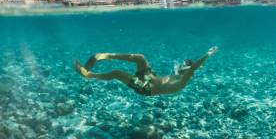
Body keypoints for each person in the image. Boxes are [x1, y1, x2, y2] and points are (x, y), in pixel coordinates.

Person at [73, 46, 218, 96]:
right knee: (140, 58)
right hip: (150, 78)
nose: (181, 66)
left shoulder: (183, 80)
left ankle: (89, 75)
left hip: (146, 88)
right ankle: (107, 55)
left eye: (183, 66)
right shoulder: (178, 74)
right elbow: (189, 67)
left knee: (117, 73)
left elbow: (193, 67)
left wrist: (207, 55)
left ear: (187, 70)